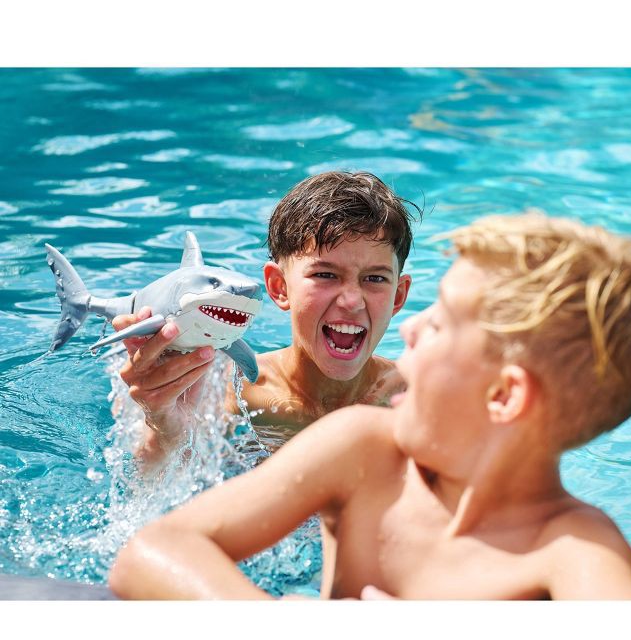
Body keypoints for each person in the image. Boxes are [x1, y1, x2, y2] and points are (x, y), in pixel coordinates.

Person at [109, 210, 631, 600]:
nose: (409, 329)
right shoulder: (363, 448)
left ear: (504, 395)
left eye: (440, 323)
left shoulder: (572, 550)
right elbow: (151, 552)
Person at [114, 171, 417, 468]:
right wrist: (164, 432)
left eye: (375, 278)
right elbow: (148, 485)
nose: (351, 301)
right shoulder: (234, 396)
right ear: (279, 287)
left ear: (398, 296)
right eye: (325, 275)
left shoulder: (416, 396)